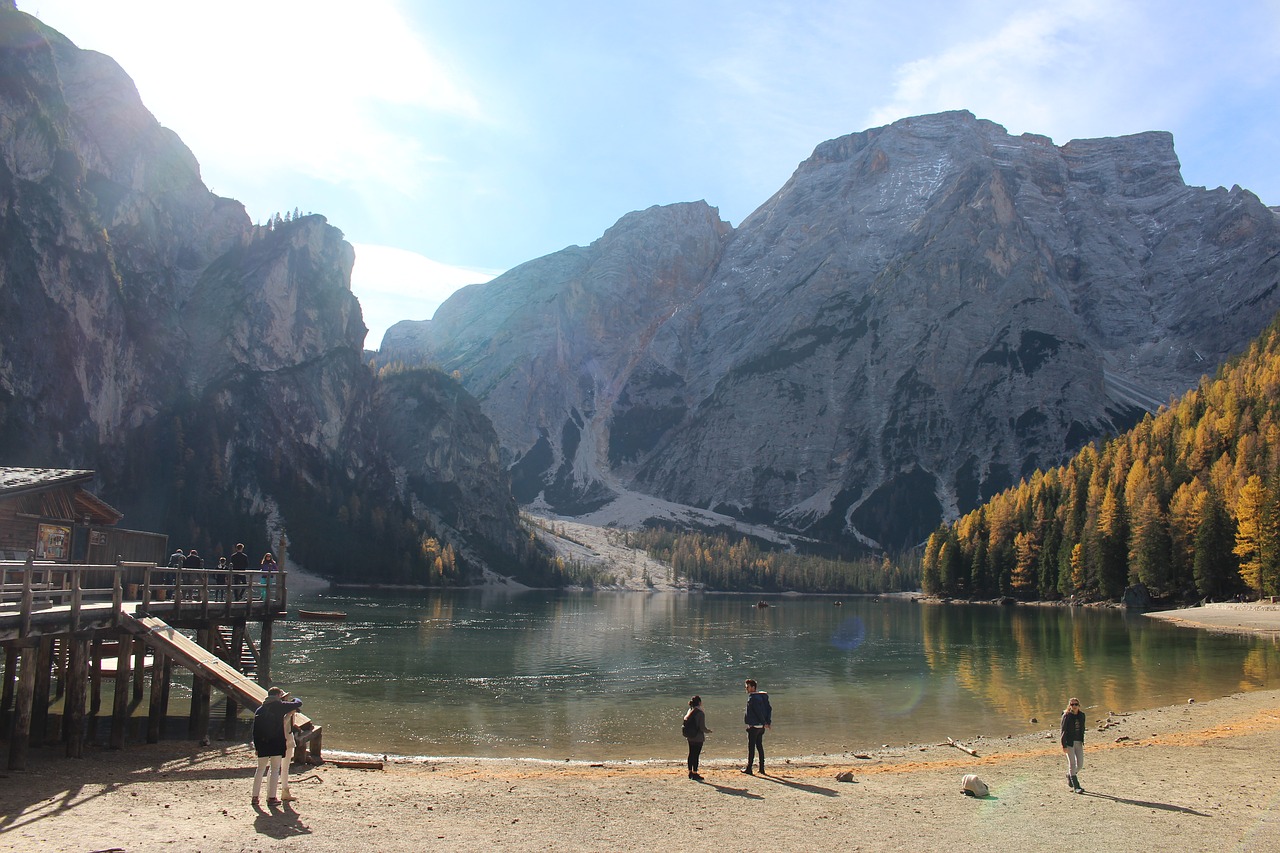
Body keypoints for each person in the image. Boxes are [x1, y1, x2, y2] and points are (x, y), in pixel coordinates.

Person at [252, 686, 303, 806]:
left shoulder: (260, 709)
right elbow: (298, 703)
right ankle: (271, 798)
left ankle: (255, 797)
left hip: (262, 743)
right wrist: (294, 700)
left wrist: (256, 747)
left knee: (260, 770)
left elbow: (255, 731)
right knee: (275, 770)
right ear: (278, 695)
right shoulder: (279, 707)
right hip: (276, 743)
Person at [742, 678, 772, 775]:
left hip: (754, 726)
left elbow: (757, 712)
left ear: (753, 687)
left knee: (751, 747)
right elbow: (769, 709)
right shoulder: (763, 697)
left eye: (748, 687)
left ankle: (749, 768)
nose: (746, 689)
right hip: (761, 727)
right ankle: (762, 768)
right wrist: (767, 722)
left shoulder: (752, 698)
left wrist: (764, 722)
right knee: (759, 746)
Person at [1061, 697, 1086, 793]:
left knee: (1080, 764)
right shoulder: (1066, 716)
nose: (1074, 706)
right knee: (1072, 764)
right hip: (1069, 743)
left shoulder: (1082, 715)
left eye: (1076, 704)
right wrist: (1064, 745)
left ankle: (1070, 775)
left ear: (1079, 705)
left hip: (1079, 742)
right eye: (1072, 704)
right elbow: (1063, 731)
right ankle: (1076, 787)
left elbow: (1082, 729)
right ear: (1069, 706)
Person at [683, 696, 712, 780]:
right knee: (696, 755)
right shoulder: (700, 713)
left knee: (691, 754)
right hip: (698, 737)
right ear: (699, 702)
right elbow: (702, 727)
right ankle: (695, 773)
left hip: (690, 736)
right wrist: (708, 731)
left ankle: (690, 772)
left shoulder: (690, 711)